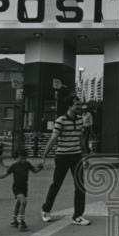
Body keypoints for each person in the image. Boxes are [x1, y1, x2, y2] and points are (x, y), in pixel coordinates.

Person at [39, 96, 91, 226]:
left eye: (80, 105)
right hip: (62, 156)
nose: (79, 107)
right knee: (56, 184)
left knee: (80, 186)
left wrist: (85, 156)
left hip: (76, 156)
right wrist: (44, 156)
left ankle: (78, 216)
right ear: (69, 106)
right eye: (76, 105)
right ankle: (46, 209)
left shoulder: (80, 120)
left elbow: (80, 139)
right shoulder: (60, 120)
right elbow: (53, 138)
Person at [0, 149, 43, 231]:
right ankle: (21, 220)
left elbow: (34, 171)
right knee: (23, 202)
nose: (23, 160)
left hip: (24, 187)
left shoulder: (27, 164)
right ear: (16, 158)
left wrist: (40, 168)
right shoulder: (14, 166)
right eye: (20, 158)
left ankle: (13, 219)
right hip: (17, 187)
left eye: (24, 158)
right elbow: (5, 174)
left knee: (19, 203)